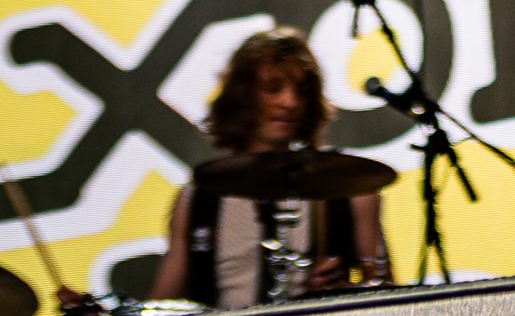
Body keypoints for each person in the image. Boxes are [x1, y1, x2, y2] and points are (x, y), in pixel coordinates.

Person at [139, 28, 390, 307]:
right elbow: (161, 305)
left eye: (301, 91)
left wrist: (343, 293)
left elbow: (389, 298)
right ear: (243, 96)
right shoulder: (196, 198)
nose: (290, 102)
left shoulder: (350, 188)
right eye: (273, 88)